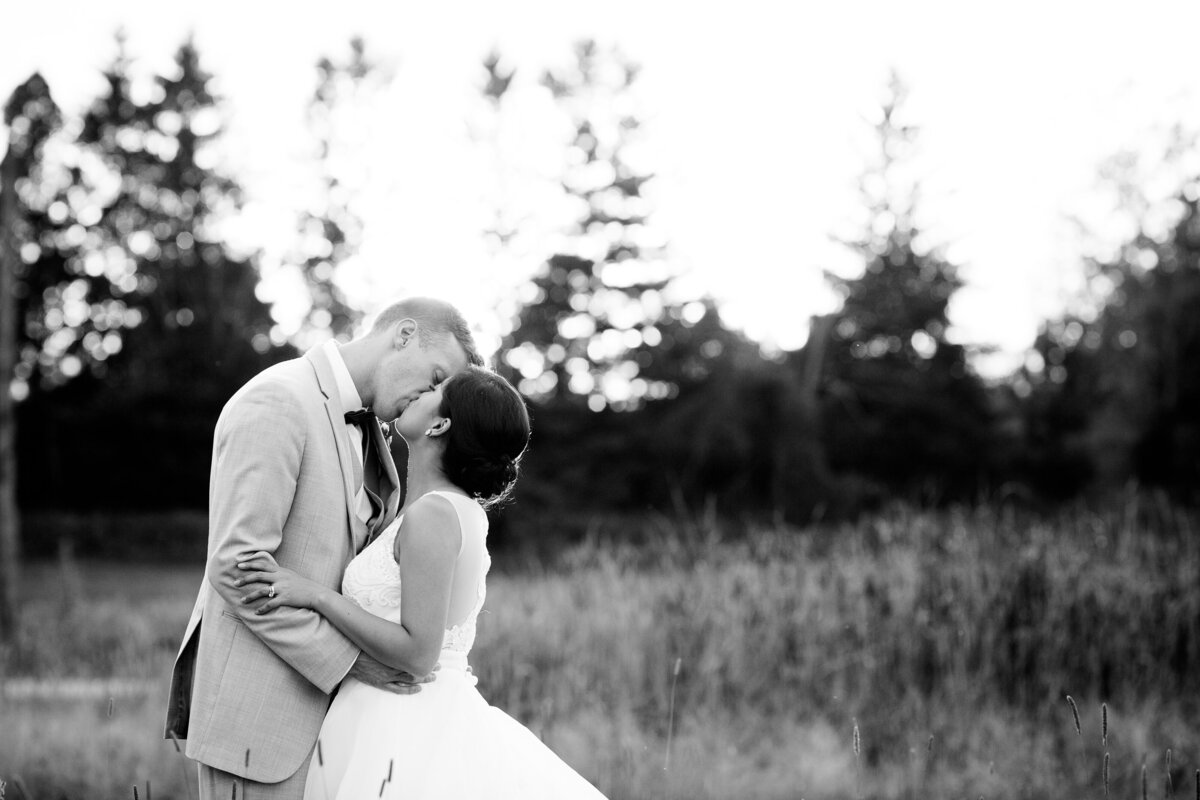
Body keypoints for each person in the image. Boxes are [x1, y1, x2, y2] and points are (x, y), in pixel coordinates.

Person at [230, 366, 608, 799]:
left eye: (435, 389)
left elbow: (418, 653)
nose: (419, 392)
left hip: (403, 725)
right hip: (397, 715)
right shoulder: (444, 510)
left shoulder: (435, 514)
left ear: (441, 423)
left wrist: (315, 596)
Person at [165, 298, 480, 800]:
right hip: (259, 719)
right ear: (402, 336)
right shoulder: (280, 400)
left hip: (334, 730)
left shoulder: (372, 430)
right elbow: (237, 568)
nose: (434, 397)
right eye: (436, 375)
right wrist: (352, 662)